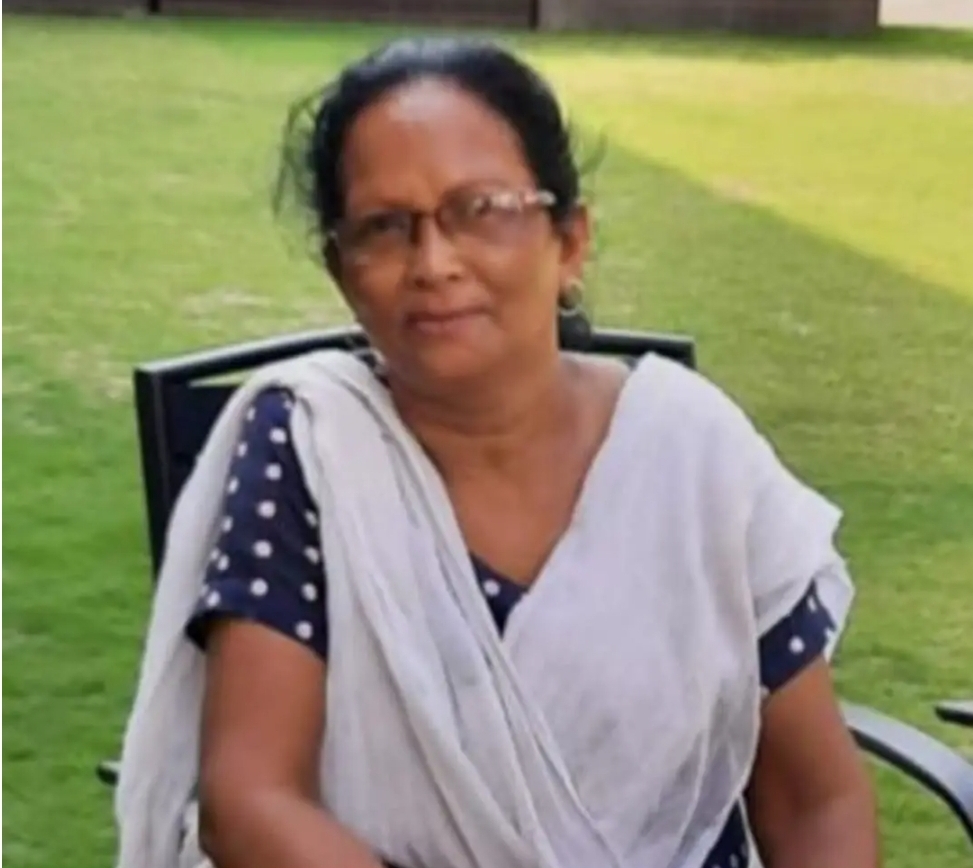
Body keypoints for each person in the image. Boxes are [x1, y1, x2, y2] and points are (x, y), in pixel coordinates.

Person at [115, 35, 880, 868]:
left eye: (479, 209)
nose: (433, 263)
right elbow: (251, 799)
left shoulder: (689, 452)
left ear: (569, 242)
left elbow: (815, 800)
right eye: (384, 228)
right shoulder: (314, 450)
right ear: (342, 272)